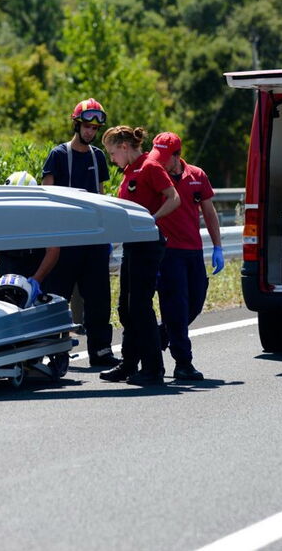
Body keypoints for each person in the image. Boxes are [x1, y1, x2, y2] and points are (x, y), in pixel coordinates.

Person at [99, 125, 180, 386]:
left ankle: (153, 368)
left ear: (124, 147)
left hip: (148, 244)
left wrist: (152, 219)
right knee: (126, 307)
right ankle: (129, 363)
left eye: (112, 153)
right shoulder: (129, 171)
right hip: (133, 244)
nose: (112, 159)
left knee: (140, 306)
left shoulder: (150, 167)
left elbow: (174, 198)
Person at [41, 98, 118, 367]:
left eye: (95, 128)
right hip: (65, 241)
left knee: (98, 298)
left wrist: (106, 234)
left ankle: (101, 350)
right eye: (87, 126)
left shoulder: (98, 157)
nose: (91, 132)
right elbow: (47, 197)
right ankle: (54, 351)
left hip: (93, 240)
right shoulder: (59, 155)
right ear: (76, 125)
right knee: (57, 298)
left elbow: (101, 196)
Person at [150, 132, 223, 381]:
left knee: (196, 302)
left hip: (193, 251)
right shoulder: (154, 177)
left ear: (177, 155)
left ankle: (160, 335)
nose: (160, 162)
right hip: (168, 253)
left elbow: (209, 211)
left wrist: (218, 246)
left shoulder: (197, 175)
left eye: (164, 157)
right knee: (177, 306)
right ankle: (183, 363)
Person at [0, 171, 59, 303]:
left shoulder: (44, 216)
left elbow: (53, 250)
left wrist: (37, 279)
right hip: (7, 267)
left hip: (36, 266)